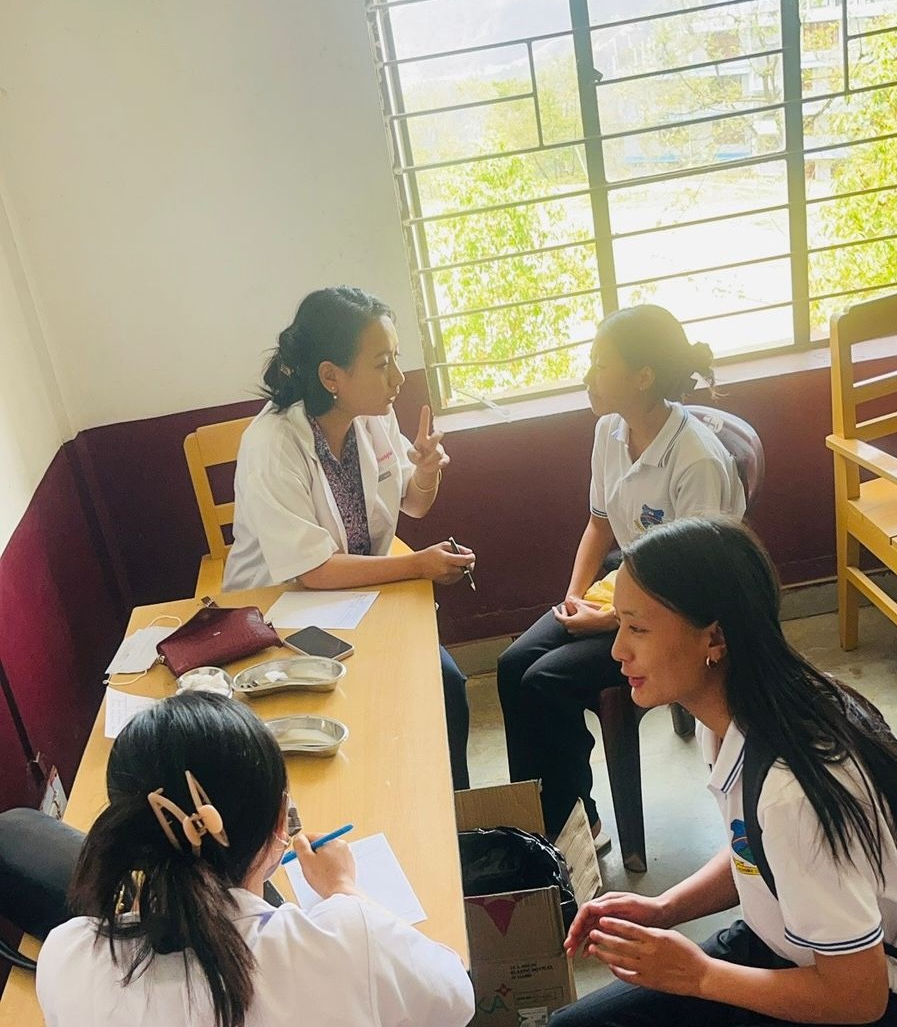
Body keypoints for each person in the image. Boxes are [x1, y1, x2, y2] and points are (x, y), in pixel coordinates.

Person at [553, 517, 897, 1026]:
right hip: (780, 945)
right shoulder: (743, 711)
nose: (617, 650)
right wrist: (666, 907)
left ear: (713, 637)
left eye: (638, 627)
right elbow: (753, 845)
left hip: (848, 992)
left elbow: (858, 997)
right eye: (619, 624)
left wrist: (698, 976)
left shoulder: (790, 792)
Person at [36, 692, 474, 1027]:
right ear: (280, 824)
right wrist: (345, 890)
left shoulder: (65, 956)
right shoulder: (348, 941)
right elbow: (456, 996)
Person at [498, 305, 745, 858]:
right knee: (514, 666)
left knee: (545, 681)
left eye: (600, 363)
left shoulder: (695, 458)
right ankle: (549, 816)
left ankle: (572, 830)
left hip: (676, 619)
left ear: (643, 377)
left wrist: (608, 619)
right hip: (628, 592)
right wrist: (575, 593)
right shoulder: (610, 430)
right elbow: (599, 522)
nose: (589, 375)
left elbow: (691, 588)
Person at [223, 285, 476, 787]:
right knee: (355, 712)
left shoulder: (373, 419)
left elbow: (414, 502)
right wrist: (419, 565)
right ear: (331, 376)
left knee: (445, 685)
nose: (399, 379)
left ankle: (454, 814)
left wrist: (426, 470)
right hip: (280, 615)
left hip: (359, 598)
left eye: (396, 359)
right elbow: (314, 571)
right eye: (383, 363)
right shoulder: (273, 444)